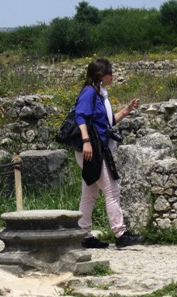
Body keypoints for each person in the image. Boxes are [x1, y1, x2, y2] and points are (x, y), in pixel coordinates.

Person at [74, 58, 144, 249]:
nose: (112, 75)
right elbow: (80, 115)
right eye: (110, 72)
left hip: (94, 149)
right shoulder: (90, 93)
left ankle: (84, 234)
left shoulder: (99, 94)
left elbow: (108, 122)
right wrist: (86, 141)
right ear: (101, 75)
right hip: (92, 150)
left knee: (89, 193)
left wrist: (127, 110)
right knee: (111, 190)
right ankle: (120, 233)